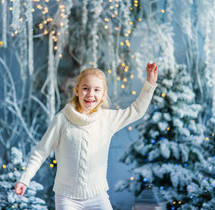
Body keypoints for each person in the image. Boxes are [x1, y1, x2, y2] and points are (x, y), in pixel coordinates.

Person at [15, 63, 158, 209]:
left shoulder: (107, 119)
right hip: (67, 198)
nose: (90, 94)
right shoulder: (62, 120)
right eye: (85, 88)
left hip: (97, 195)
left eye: (97, 90)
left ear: (103, 95)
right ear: (77, 90)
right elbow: (40, 152)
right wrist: (24, 180)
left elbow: (136, 111)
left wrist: (150, 83)